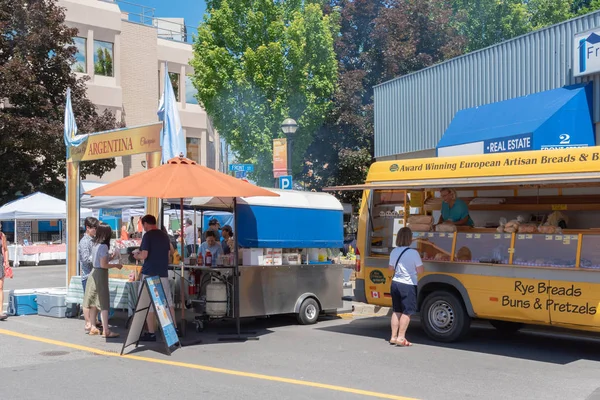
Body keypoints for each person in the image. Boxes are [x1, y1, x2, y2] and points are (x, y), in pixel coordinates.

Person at [133, 214, 176, 342]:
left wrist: (136, 255)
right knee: (168, 302)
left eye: (142, 225)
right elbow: (170, 254)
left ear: (146, 223)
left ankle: (151, 332)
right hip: (163, 273)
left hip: (149, 273)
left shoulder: (147, 236)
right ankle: (174, 330)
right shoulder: (164, 235)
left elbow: (144, 255)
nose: (143, 227)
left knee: (147, 304)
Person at [83, 223, 123, 338]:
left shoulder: (95, 244)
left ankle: (93, 327)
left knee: (94, 301)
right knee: (104, 302)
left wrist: (112, 257)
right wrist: (116, 265)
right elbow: (104, 265)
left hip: (94, 273)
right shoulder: (104, 246)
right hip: (100, 274)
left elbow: (100, 261)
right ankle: (106, 330)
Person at [387, 227, 423, 347]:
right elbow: (420, 270)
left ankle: (393, 337)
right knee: (407, 312)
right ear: (409, 238)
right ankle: (401, 337)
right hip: (408, 285)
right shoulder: (414, 253)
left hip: (395, 283)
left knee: (396, 310)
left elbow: (390, 268)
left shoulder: (394, 251)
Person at [78, 216, 99, 333]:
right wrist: (98, 258)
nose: (96, 230)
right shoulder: (85, 241)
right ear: (87, 228)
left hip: (94, 274)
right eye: (94, 228)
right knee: (89, 301)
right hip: (88, 275)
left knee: (94, 301)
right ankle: (88, 323)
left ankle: (93, 322)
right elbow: (85, 259)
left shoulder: (93, 239)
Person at [0, 223, 11, 321]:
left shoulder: (2, 235)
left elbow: (5, 249)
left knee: (0, 287)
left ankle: (0, 311)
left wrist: (6, 261)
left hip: (0, 261)